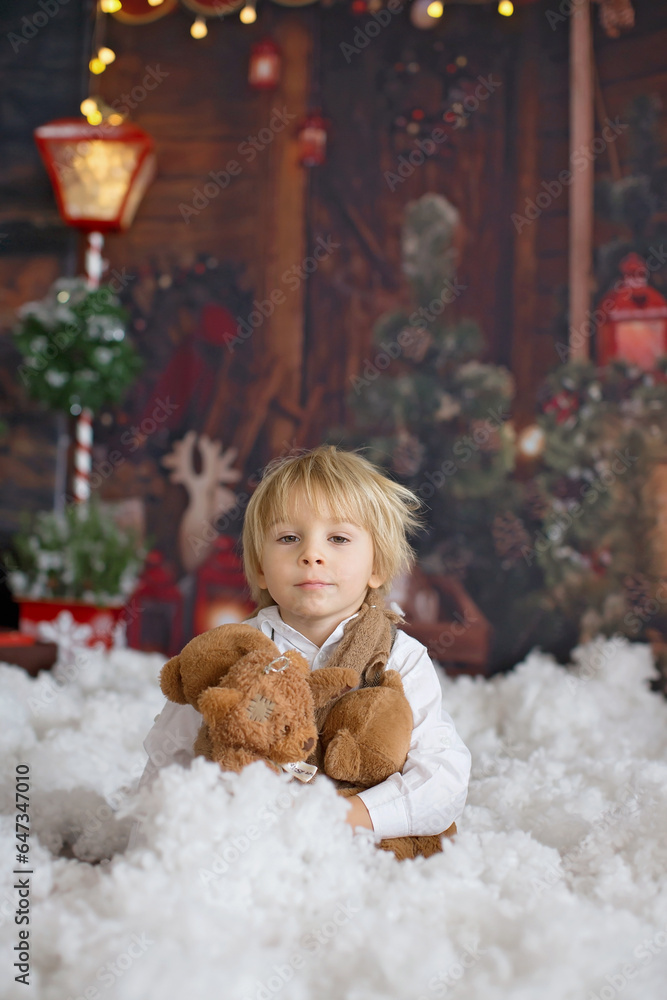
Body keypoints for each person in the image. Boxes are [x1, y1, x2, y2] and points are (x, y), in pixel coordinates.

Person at [137, 444, 471, 842]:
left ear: (377, 567)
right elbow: (167, 763)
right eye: (289, 537)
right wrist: (153, 843)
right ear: (261, 567)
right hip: (248, 839)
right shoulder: (231, 655)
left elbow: (442, 775)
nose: (312, 554)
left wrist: (343, 816)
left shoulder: (401, 657)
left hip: (356, 835)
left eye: (339, 539)